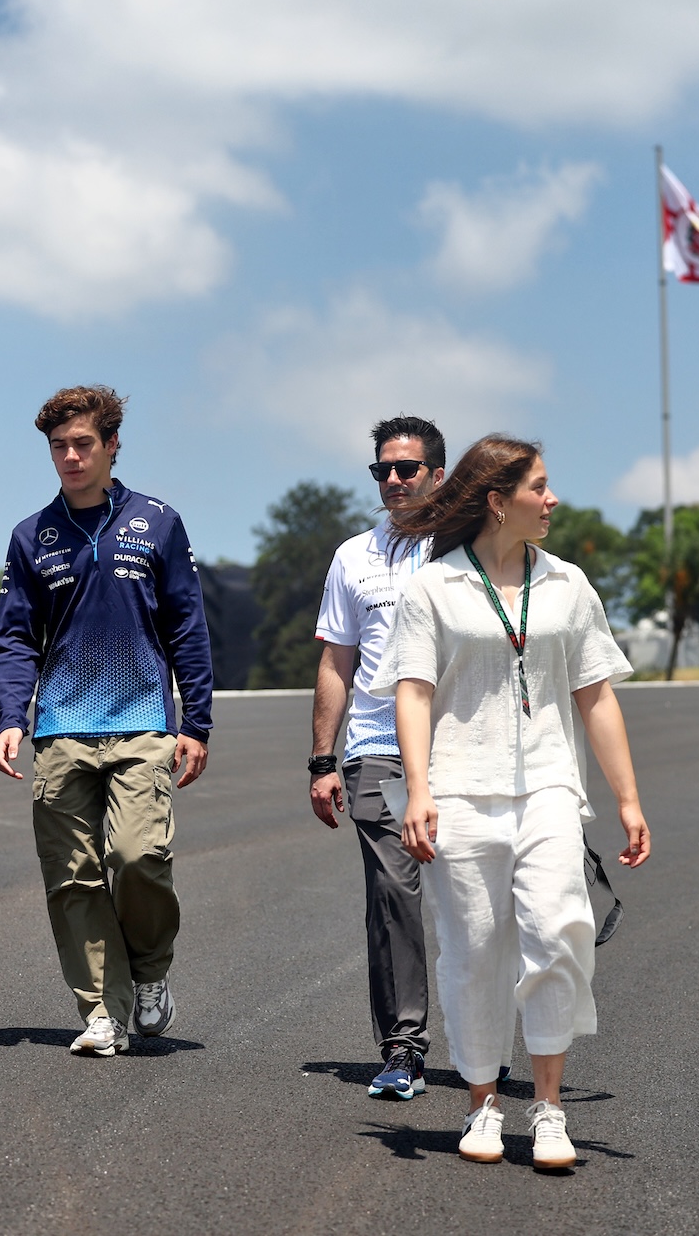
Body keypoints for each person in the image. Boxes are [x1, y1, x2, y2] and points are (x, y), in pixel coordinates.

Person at [373, 435, 651, 1172]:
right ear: (499, 500)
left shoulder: (568, 584)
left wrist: (627, 798)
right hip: (460, 790)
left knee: (559, 929)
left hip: (551, 788)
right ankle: (482, 1104)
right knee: (473, 949)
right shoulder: (432, 587)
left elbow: (595, 694)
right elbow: (414, 690)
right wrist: (421, 788)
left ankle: (549, 1108)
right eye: (540, 486)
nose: (552, 499)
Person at [0, 385, 213, 1057]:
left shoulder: (159, 522)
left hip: (143, 722)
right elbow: (14, 636)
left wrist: (196, 721)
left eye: (83, 443)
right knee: (72, 877)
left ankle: (149, 974)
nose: (70, 456)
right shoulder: (32, 537)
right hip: (59, 728)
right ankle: (101, 1012)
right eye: (59, 446)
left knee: (137, 856)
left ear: (112, 444)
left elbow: (188, 628)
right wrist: (12, 716)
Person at [310, 416, 448, 1100]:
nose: (394, 480)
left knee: (477, 898)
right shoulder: (352, 557)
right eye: (383, 470)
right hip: (377, 750)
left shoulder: (470, 549)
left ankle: (488, 1037)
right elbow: (337, 658)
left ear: (437, 476)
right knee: (394, 891)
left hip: (461, 750)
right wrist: (321, 758)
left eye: (408, 468)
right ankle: (403, 1043)